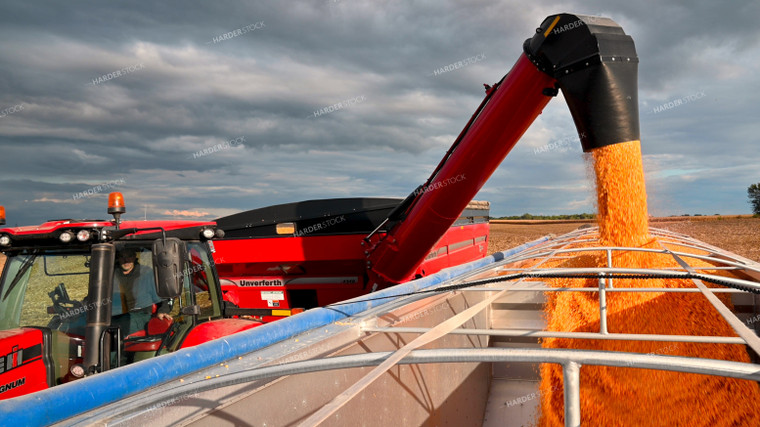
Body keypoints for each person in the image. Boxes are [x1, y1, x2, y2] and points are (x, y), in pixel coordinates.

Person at [111, 248, 173, 337]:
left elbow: (162, 298)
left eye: (129, 256)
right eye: (122, 257)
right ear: (118, 258)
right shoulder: (110, 275)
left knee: (121, 325)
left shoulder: (146, 273)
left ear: (134, 257)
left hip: (141, 314)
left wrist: (163, 310)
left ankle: (117, 350)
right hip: (114, 314)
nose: (126, 260)